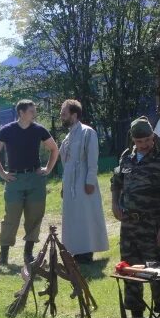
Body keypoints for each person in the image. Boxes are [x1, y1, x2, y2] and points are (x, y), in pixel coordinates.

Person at [111, 117, 160, 318]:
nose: (145, 145)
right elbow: (116, 182)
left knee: (158, 274)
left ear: (153, 137)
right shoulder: (126, 157)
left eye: (148, 140)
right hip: (129, 226)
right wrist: (114, 204)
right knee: (130, 272)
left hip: (154, 226)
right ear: (133, 140)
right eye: (140, 141)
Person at [0, 100, 60, 266]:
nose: (34, 114)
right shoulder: (7, 130)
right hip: (15, 180)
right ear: (21, 113)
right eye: (31, 111)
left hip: (35, 180)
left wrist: (48, 169)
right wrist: (2, 173)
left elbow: (54, 149)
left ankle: (28, 254)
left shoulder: (39, 130)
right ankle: (3, 254)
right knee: (11, 217)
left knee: (34, 216)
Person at [58, 99, 108, 264]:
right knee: (73, 218)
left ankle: (86, 252)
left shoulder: (88, 132)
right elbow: (67, 164)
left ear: (74, 114)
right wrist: (64, 185)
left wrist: (90, 181)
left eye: (64, 114)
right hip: (70, 183)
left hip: (83, 182)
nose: (61, 117)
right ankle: (75, 250)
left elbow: (92, 159)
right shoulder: (68, 136)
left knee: (85, 216)